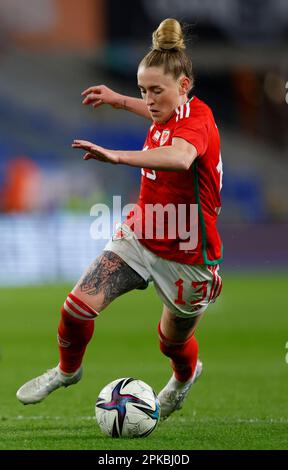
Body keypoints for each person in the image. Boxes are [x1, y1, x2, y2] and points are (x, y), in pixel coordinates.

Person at [16, 18, 223, 419]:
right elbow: (155, 117)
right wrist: (119, 99)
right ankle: (67, 371)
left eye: (155, 91)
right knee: (76, 307)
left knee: (171, 342)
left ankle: (182, 380)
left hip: (188, 253)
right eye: (143, 90)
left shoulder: (198, 120)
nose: (148, 100)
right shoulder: (165, 112)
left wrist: (117, 156)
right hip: (141, 235)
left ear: (184, 88)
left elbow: (180, 157)